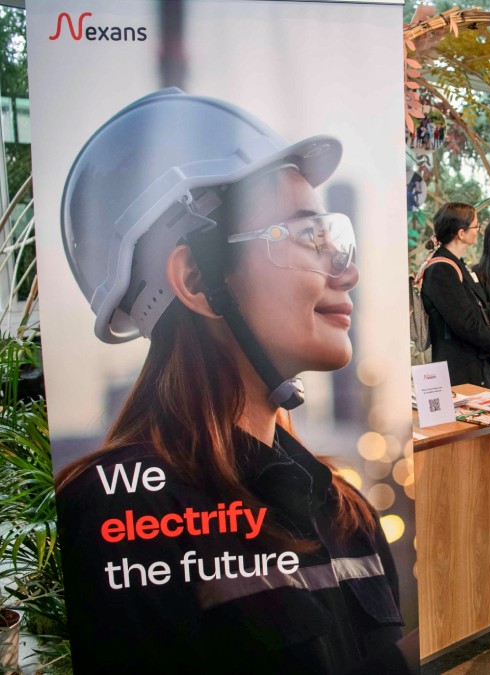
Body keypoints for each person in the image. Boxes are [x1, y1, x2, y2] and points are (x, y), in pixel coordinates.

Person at [54, 90, 414, 674]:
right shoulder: (117, 519)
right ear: (196, 279)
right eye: (305, 237)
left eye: (333, 236)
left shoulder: (343, 509)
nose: (345, 271)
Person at [421, 202, 490, 389]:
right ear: (461, 233)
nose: (479, 230)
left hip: (475, 362)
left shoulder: (454, 263)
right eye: (476, 226)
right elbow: (466, 324)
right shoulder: (441, 269)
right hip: (460, 368)